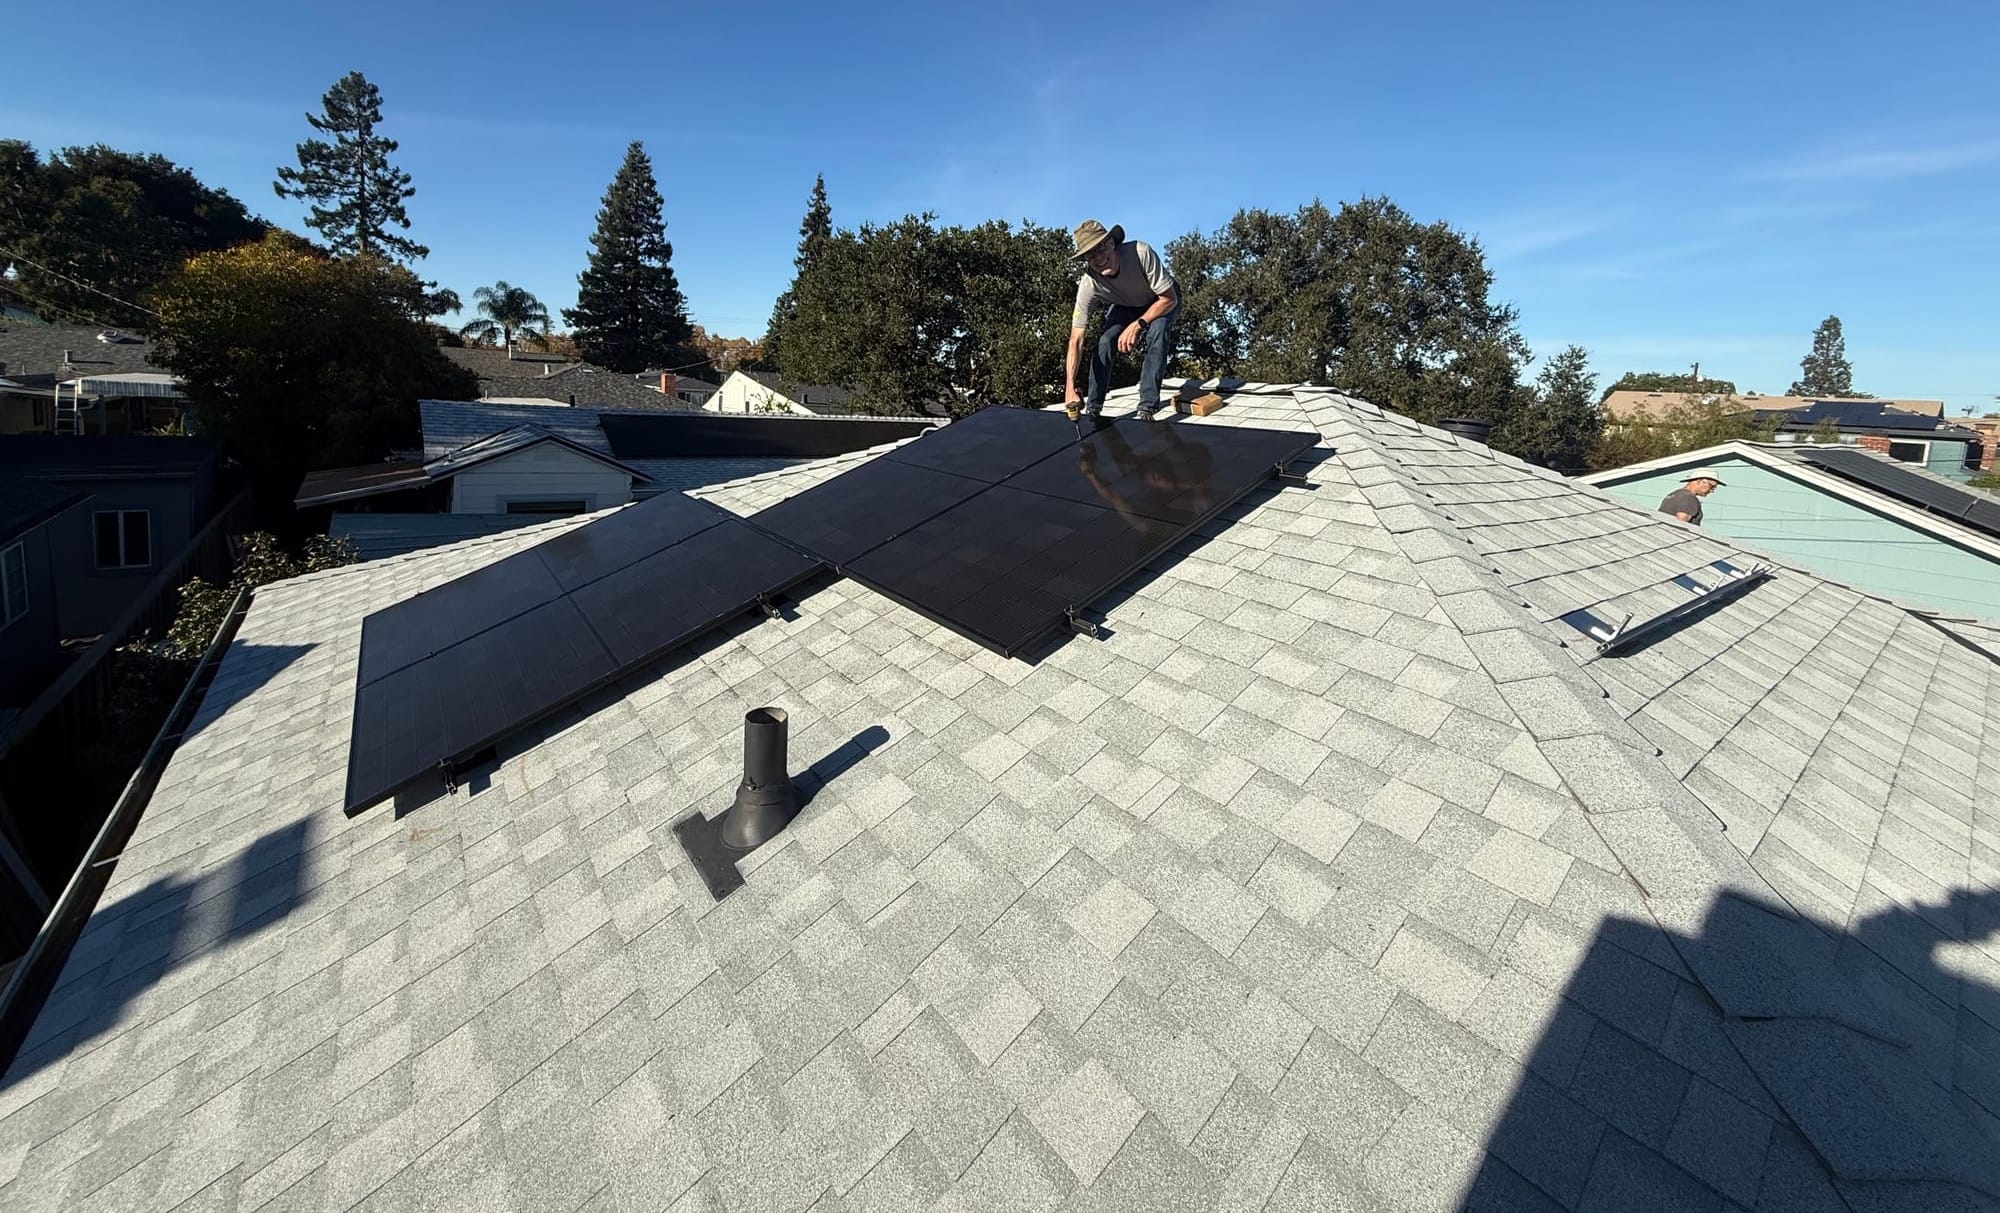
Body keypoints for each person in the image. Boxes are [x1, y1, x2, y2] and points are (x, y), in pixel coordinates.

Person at [1063, 219, 1179, 422]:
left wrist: (1138, 324)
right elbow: (1076, 339)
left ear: (1111, 243)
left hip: (1160, 299)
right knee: (1105, 341)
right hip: (1126, 306)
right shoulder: (1089, 284)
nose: (1098, 259)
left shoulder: (1140, 252)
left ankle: (1147, 408)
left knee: (1158, 331)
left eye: (1100, 249)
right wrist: (1070, 387)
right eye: (1090, 255)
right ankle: (1093, 409)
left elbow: (1169, 299)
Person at [1660, 468, 1724, 525]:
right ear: (1701, 482)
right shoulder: (1689, 498)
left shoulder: (1675, 494)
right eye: (1712, 486)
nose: (1712, 491)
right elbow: (1680, 524)